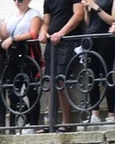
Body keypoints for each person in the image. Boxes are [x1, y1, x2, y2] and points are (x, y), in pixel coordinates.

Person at [0, 0, 44, 132]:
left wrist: (13, 39)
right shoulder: (11, 15)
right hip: (13, 56)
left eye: (20, 0)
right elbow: (4, 35)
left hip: (28, 54)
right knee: (13, 91)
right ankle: (22, 120)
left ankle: (33, 124)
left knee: (31, 89)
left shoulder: (34, 14)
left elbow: (33, 34)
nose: (17, 2)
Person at [38, 0, 84, 131]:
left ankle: (66, 122)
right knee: (49, 81)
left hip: (68, 41)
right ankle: (50, 123)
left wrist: (61, 33)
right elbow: (46, 22)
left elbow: (78, 15)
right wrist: (43, 32)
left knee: (60, 80)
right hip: (52, 43)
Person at [80, 0, 115, 125]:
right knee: (91, 77)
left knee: (107, 75)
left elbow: (114, 20)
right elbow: (88, 23)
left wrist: (95, 7)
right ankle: (95, 114)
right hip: (91, 39)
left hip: (106, 38)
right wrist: (86, 9)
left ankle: (111, 114)